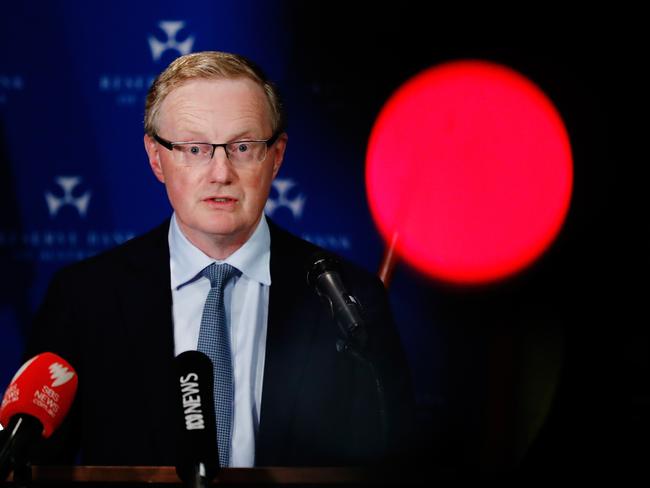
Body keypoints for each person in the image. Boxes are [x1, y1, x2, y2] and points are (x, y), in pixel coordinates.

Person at [24, 51, 414, 468]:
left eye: (243, 147)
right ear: (157, 158)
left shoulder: (349, 299)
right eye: (194, 149)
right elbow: (35, 465)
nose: (220, 172)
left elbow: (392, 460)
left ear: (276, 156)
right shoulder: (83, 298)